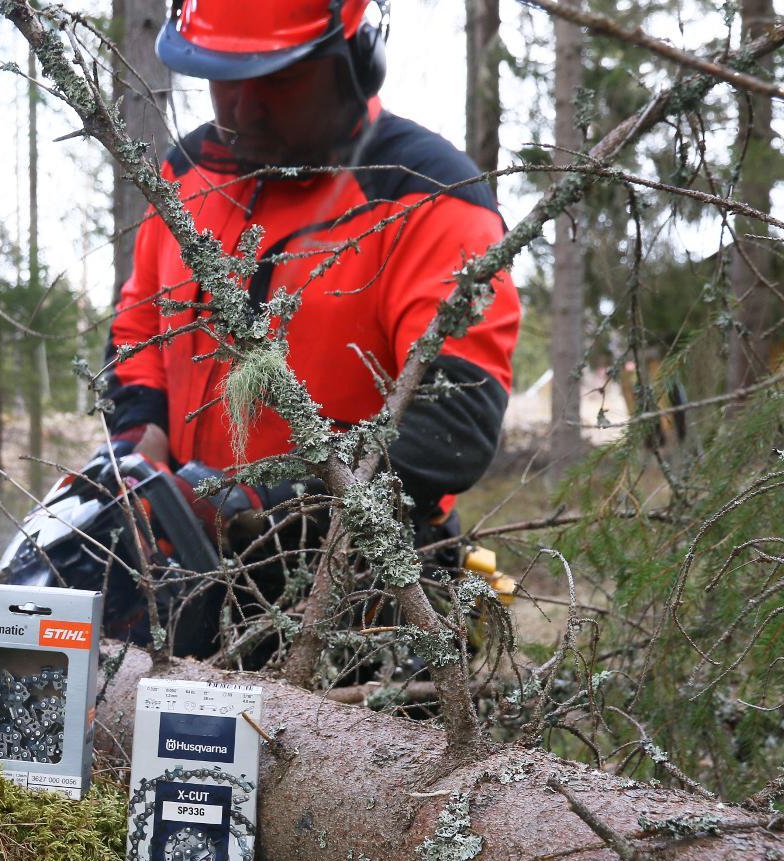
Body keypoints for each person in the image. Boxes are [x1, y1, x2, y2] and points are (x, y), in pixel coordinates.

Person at [105, 0, 520, 556]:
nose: (244, 108)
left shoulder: (426, 197)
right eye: (224, 79)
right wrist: (138, 442)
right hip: (187, 557)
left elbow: (452, 425)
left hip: (356, 569)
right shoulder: (186, 174)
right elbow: (139, 330)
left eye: (277, 79)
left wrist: (269, 506)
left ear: (357, 61)